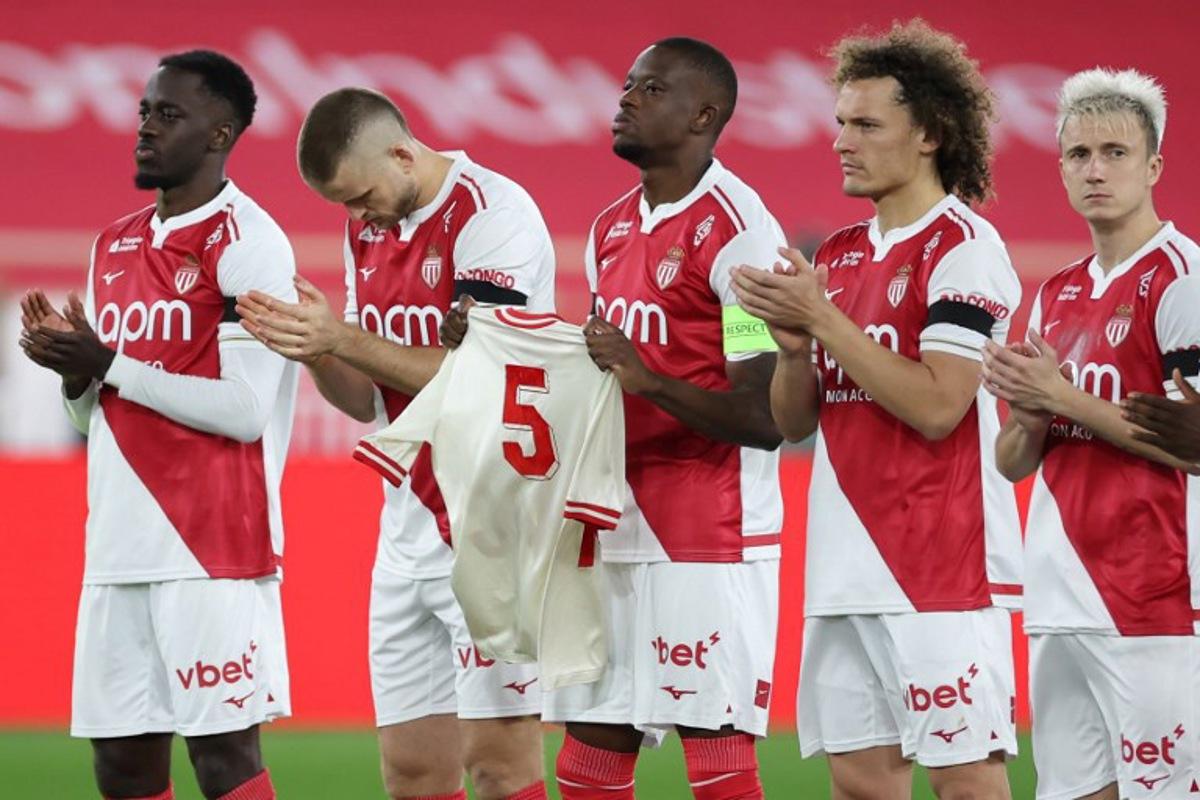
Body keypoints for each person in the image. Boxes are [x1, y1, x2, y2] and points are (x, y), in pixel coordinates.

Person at [235, 88, 553, 800]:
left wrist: (341, 337)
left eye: (363, 195)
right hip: (407, 524)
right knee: (411, 774)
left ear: (404, 154)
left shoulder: (493, 216)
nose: (357, 217)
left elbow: (482, 378)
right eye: (343, 207)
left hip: (490, 522)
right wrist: (312, 349)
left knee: (501, 768)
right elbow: (366, 397)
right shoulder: (370, 231)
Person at [732, 20, 1022, 799]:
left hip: (941, 569)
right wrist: (795, 347)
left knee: (966, 784)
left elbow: (938, 405)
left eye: (866, 125)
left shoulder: (965, 248)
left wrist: (825, 321)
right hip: (843, 566)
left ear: (929, 134)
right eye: (840, 124)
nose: (842, 142)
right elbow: (797, 424)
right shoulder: (841, 255)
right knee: (862, 785)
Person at [18, 50, 296, 800]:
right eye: (144, 111)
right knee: (122, 768)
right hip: (117, 543)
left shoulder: (248, 242)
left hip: (210, 546)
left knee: (224, 760)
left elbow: (244, 411)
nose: (145, 128)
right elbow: (92, 411)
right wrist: (72, 371)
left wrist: (104, 360)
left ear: (220, 134)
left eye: (169, 114)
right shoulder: (111, 244)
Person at [536, 37, 785, 800]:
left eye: (650, 89)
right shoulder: (610, 228)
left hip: (706, 534)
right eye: (627, 84)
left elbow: (763, 409)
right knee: (587, 764)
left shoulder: (741, 237)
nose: (626, 99)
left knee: (716, 766)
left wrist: (648, 378)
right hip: (614, 522)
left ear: (703, 114)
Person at [982, 67, 1200, 800]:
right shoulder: (1060, 290)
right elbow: (1013, 460)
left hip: (1154, 595)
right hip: (1059, 594)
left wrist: (1060, 394)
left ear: (1154, 166)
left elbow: (1197, 446)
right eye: (1079, 155)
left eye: (1115, 152)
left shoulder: (1181, 279)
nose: (1096, 170)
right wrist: (1032, 409)